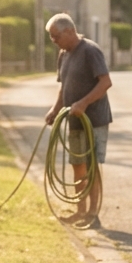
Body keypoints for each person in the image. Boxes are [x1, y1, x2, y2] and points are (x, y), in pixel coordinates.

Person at [43, 13, 112, 228]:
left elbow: (105, 83)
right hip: (73, 120)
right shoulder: (64, 54)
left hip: (94, 120)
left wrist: (83, 103)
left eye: (56, 36)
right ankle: (79, 212)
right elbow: (64, 86)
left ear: (70, 31)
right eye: (51, 37)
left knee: (92, 167)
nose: (54, 41)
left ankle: (93, 214)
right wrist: (55, 109)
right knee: (77, 166)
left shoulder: (90, 51)